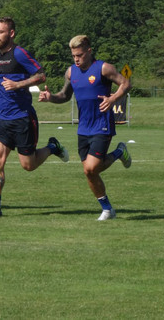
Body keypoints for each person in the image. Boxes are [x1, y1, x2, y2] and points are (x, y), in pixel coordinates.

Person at [0, 17, 69, 218]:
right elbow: (1, 83)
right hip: (1, 119)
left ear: (11, 34)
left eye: (0, 32)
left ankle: (52, 147)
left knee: (28, 165)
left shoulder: (19, 53)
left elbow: (41, 75)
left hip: (22, 118)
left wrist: (18, 85)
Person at [38, 35, 132, 221]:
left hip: (102, 124)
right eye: (73, 56)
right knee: (89, 171)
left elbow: (126, 83)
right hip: (83, 128)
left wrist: (113, 99)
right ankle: (107, 209)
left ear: (89, 51)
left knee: (91, 168)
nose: (76, 59)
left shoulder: (104, 68)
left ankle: (118, 154)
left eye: (79, 55)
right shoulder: (71, 72)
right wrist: (51, 98)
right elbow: (64, 96)